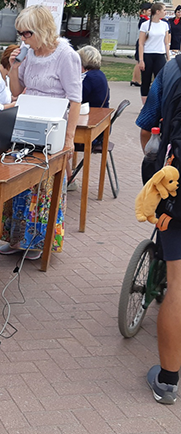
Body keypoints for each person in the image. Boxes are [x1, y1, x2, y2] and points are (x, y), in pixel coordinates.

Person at [0, 5, 82, 258]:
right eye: (20, 33)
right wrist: (14, 68)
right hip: (27, 121)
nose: (23, 39)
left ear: (42, 30)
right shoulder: (29, 54)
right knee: (19, 180)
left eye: (27, 33)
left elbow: (75, 99)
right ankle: (16, 239)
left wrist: (69, 138)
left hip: (52, 125)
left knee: (43, 185)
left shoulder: (66, 55)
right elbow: (16, 91)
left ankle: (38, 241)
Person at [136, 57, 181, 404]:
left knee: (177, 282)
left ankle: (167, 381)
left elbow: (147, 125)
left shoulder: (172, 70)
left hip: (176, 190)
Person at [138, 2, 170, 104]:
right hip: (148, 55)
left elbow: (166, 43)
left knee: (160, 81)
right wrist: (141, 60)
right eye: (164, 10)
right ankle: (145, 105)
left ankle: (157, 104)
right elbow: (141, 43)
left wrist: (168, 57)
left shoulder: (165, 25)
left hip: (160, 55)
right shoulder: (145, 25)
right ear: (158, 11)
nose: (165, 12)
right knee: (146, 81)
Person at [131, 3, 152, 87]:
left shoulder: (146, 20)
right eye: (149, 10)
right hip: (142, 41)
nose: (151, 12)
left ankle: (134, 79)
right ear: (144, 11)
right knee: (139, 62)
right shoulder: (143, 21)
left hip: (143, 41)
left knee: (138, 61)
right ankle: (138, 80)